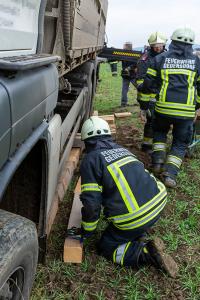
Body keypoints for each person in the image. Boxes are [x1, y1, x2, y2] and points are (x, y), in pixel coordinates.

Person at [79, 116, 178, 277]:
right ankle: (139, 234)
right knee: (132, 223)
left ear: (86, 140)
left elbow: (92, 204)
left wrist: (86, 231)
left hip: (136, 215)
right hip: (158, 200)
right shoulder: (123, 149)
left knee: (106, 246)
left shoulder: (91, 160)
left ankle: (146, 253)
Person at [138, 28, 200, 188]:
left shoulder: (160, 59)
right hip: (186, 112)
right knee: (180, 143)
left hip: (163, 108)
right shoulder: (196, 62)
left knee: (159, 134)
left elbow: (148, 85)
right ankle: (170, 174)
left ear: (172, 41)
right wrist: (197, 108)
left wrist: (144, 107)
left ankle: (158, 161)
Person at [136, 32, 167, 152]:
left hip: (164, 96)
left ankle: (157, 144)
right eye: (155, 46)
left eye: (160, 45)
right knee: (151, 121)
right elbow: (140, 80)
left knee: (163, 121)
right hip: (149, 97)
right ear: (151, 45)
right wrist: (144, 101)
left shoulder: (167, 56)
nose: (158, 48)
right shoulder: (145, 59)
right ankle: (147, 145)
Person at [121, 42, 137, 107]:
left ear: (127, 47)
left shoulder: (122, 54)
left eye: (124, 46)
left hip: (130, 75)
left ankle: (123, 103)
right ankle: (124, 103)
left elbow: (136, 63)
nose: (123, 48)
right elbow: (136, 63)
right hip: (130, 75)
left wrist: (128, 68)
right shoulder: (134, 54)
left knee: (125, 89)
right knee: (139, 88)